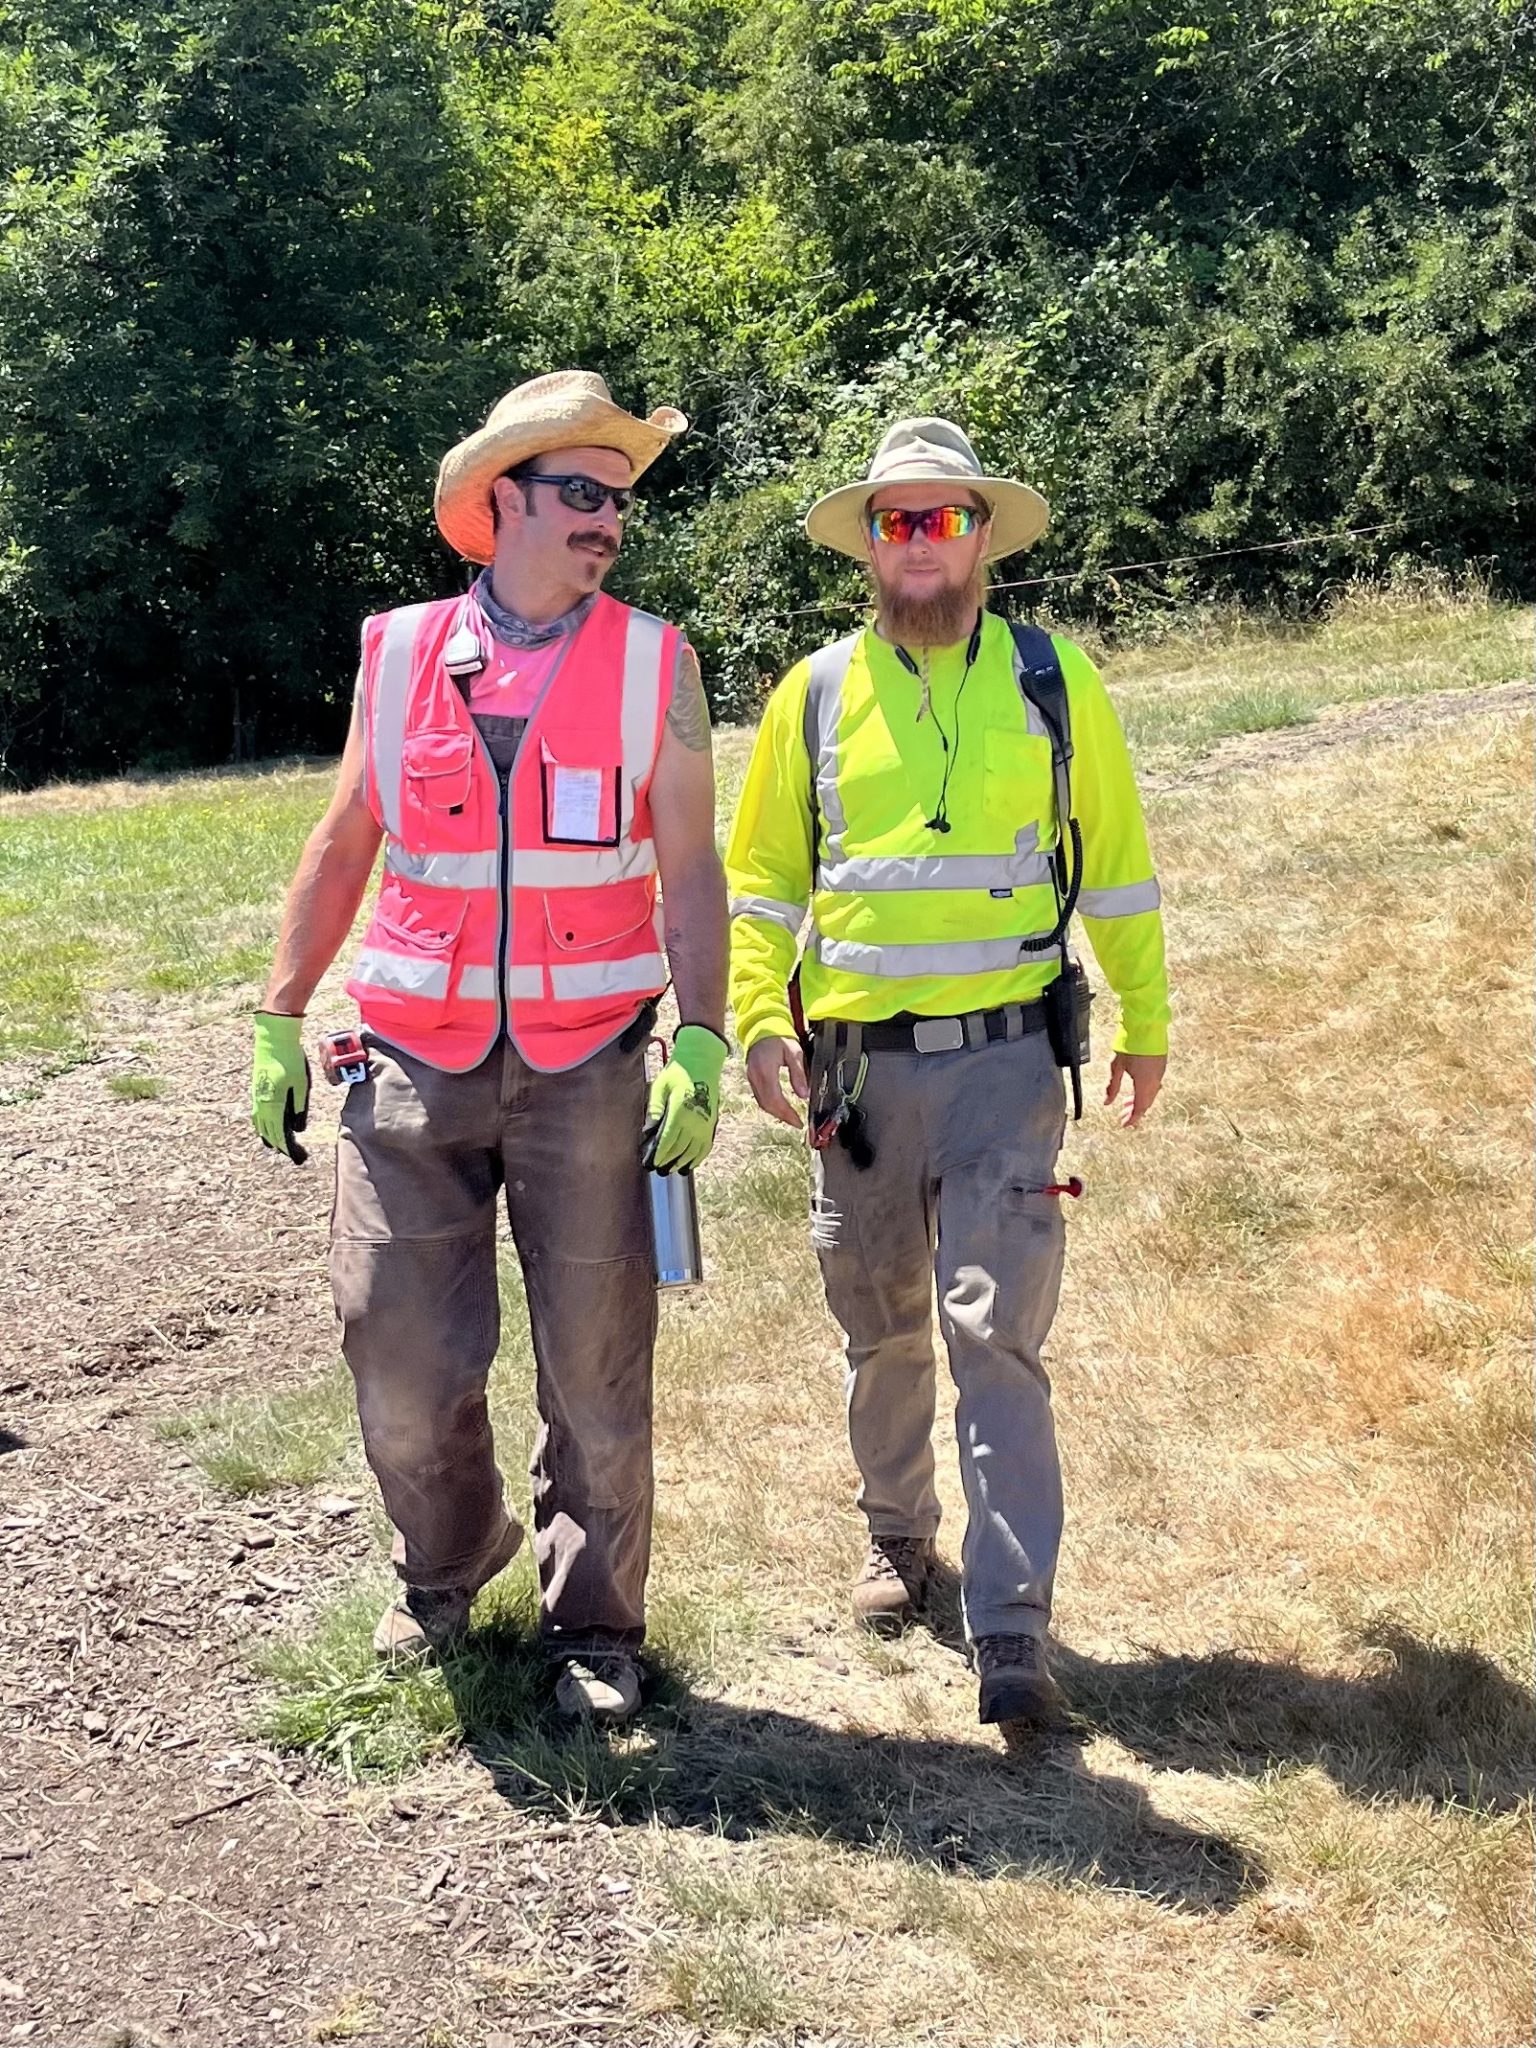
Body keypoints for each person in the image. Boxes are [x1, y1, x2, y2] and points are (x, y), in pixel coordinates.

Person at [249, 371, 729, 1725]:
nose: (609, 521)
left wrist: (702, 1038)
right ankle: (447, 1564)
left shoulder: (657, 663)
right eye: (583, 493)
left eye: (620, 501)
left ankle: (597, 1627)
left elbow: (692, 870)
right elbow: (348, 833)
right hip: (411, 1062)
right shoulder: (398, 651)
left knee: (599, 1373)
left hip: (591, 1068)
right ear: (502, 499)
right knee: (393, 1352)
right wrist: (280, 1010)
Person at [725, 418, 1169, 1744]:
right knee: (881, 1325)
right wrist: (757, 1016)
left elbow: (1117, 863)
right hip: (858, 1083)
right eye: (896, 521)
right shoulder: (812, 695)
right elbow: (763, 883)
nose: (920, 542)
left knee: (997, 1333)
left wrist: (1145, 1014)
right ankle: (898, 1536)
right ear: (869, 545)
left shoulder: (1053, 679)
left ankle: (1012, 1626)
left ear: (982, 537)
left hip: (1008, 1067)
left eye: (944, 518)